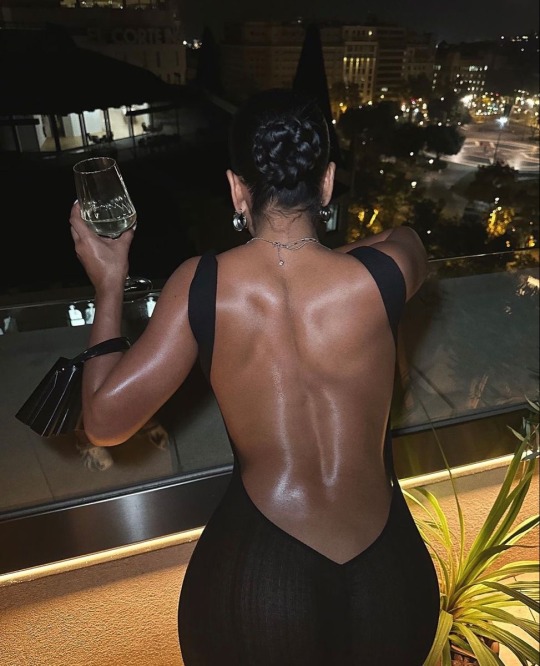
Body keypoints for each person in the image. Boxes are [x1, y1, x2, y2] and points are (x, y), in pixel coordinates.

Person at [69, 88, 440, 665]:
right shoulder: (385, 274)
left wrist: (109, 281)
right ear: (327, 183)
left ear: (237, 189)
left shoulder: (203, 286)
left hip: (259, 583)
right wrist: (327, 266)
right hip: (391, 581)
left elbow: (103, 422)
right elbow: (407, 239)